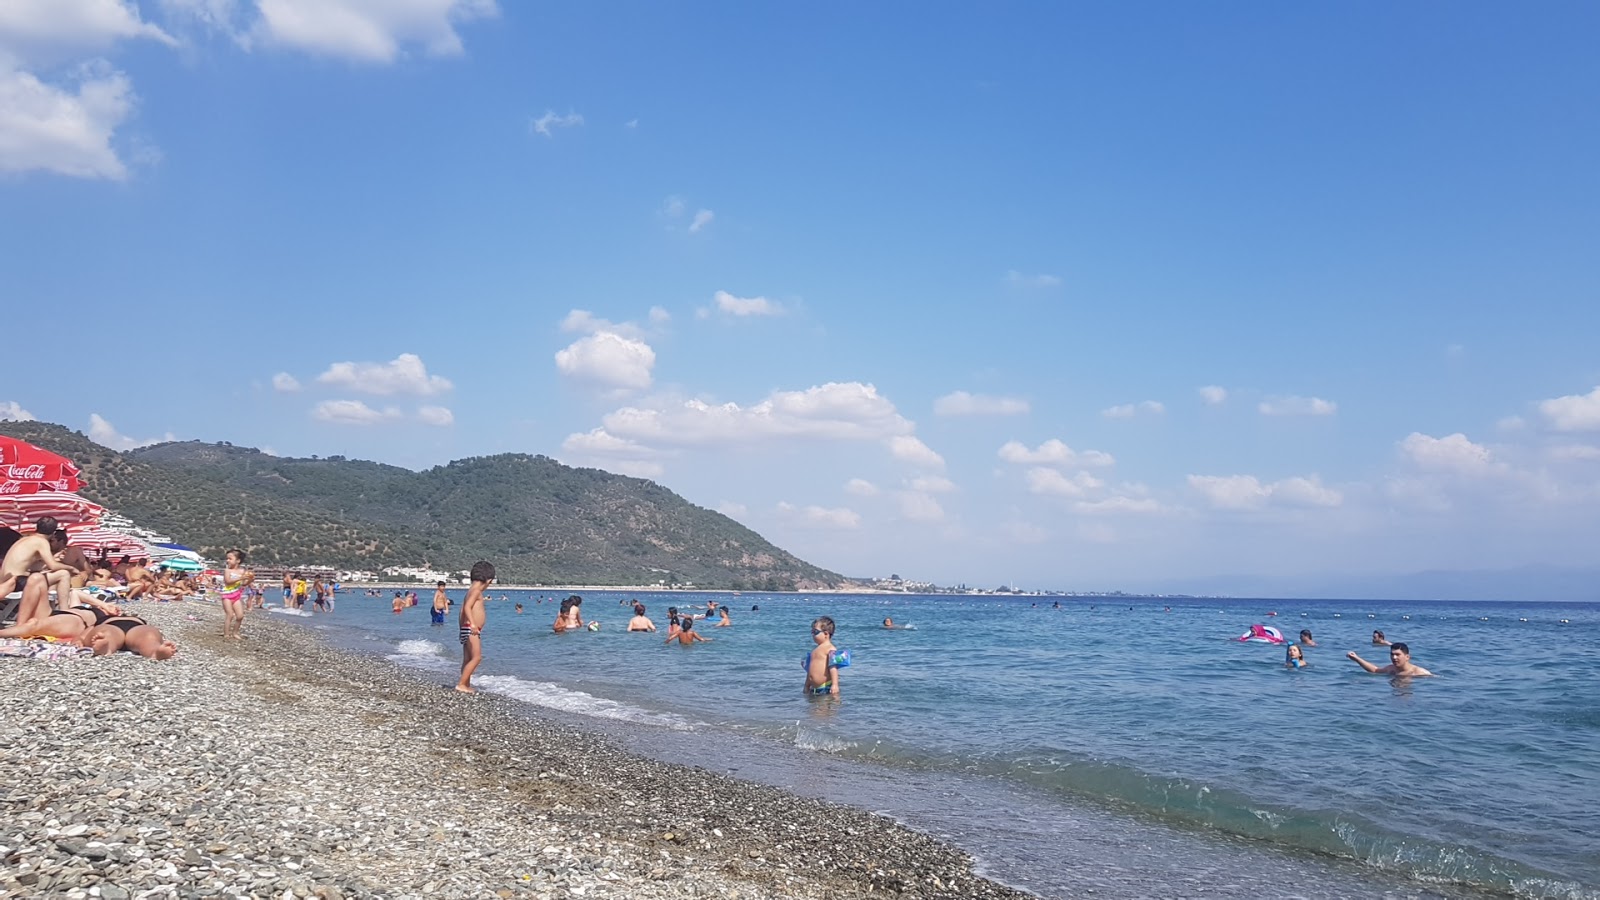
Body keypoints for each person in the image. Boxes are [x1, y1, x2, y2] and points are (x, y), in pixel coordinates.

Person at [1, 518, 79, 621]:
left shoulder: (25, 539)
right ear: (53, 532)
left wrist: (52, 561)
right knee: (63, 574)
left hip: (5, 580)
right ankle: (64, 611)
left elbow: (33, 567)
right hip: (16, 582)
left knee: (47, 575)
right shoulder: (41, 542)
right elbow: (53, 566)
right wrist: (71, 568)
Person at [456, 560, 496, 693]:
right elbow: (467, 607)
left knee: (468, 658)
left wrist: (462, 627)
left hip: (466, 627)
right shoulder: (476, 591)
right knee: (477, 657)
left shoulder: (471, 590)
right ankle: (461, 684)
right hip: (471, 628)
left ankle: (465, 683)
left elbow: (462, 609)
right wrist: (472, 624)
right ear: (488, 580)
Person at [804, 617, 845, 697]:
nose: (812, 634)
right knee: (812, 709)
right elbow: (810, 671)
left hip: (825, 688)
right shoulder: (814, 651)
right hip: (813, 689)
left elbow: (833, 668)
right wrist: (806, 685)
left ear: (826, 634)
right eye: (812, 631)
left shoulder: (830, 649)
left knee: (824, 709)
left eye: (815, 632)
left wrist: (835, 685)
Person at [219, 549, 253, 640]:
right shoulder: (227, 571)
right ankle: (226, 633)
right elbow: (228, 581)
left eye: (230, 559)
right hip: (226, 595)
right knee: (230, 614)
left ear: (238, 561)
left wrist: (249, 579)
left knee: (240, 615)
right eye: (227, 559)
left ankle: (235, 633)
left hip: (236, 595)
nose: (227, 560)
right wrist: (240, 578)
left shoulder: (242, 571)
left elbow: (244, 584)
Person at [1347, 642, 1433, 677]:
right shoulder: (1390, 669)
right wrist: (1356, 658)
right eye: (1392, 655)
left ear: (1407, 657)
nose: (1394, 657)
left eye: (1397, 655)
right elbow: (1374, 670)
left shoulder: (1419, 673)